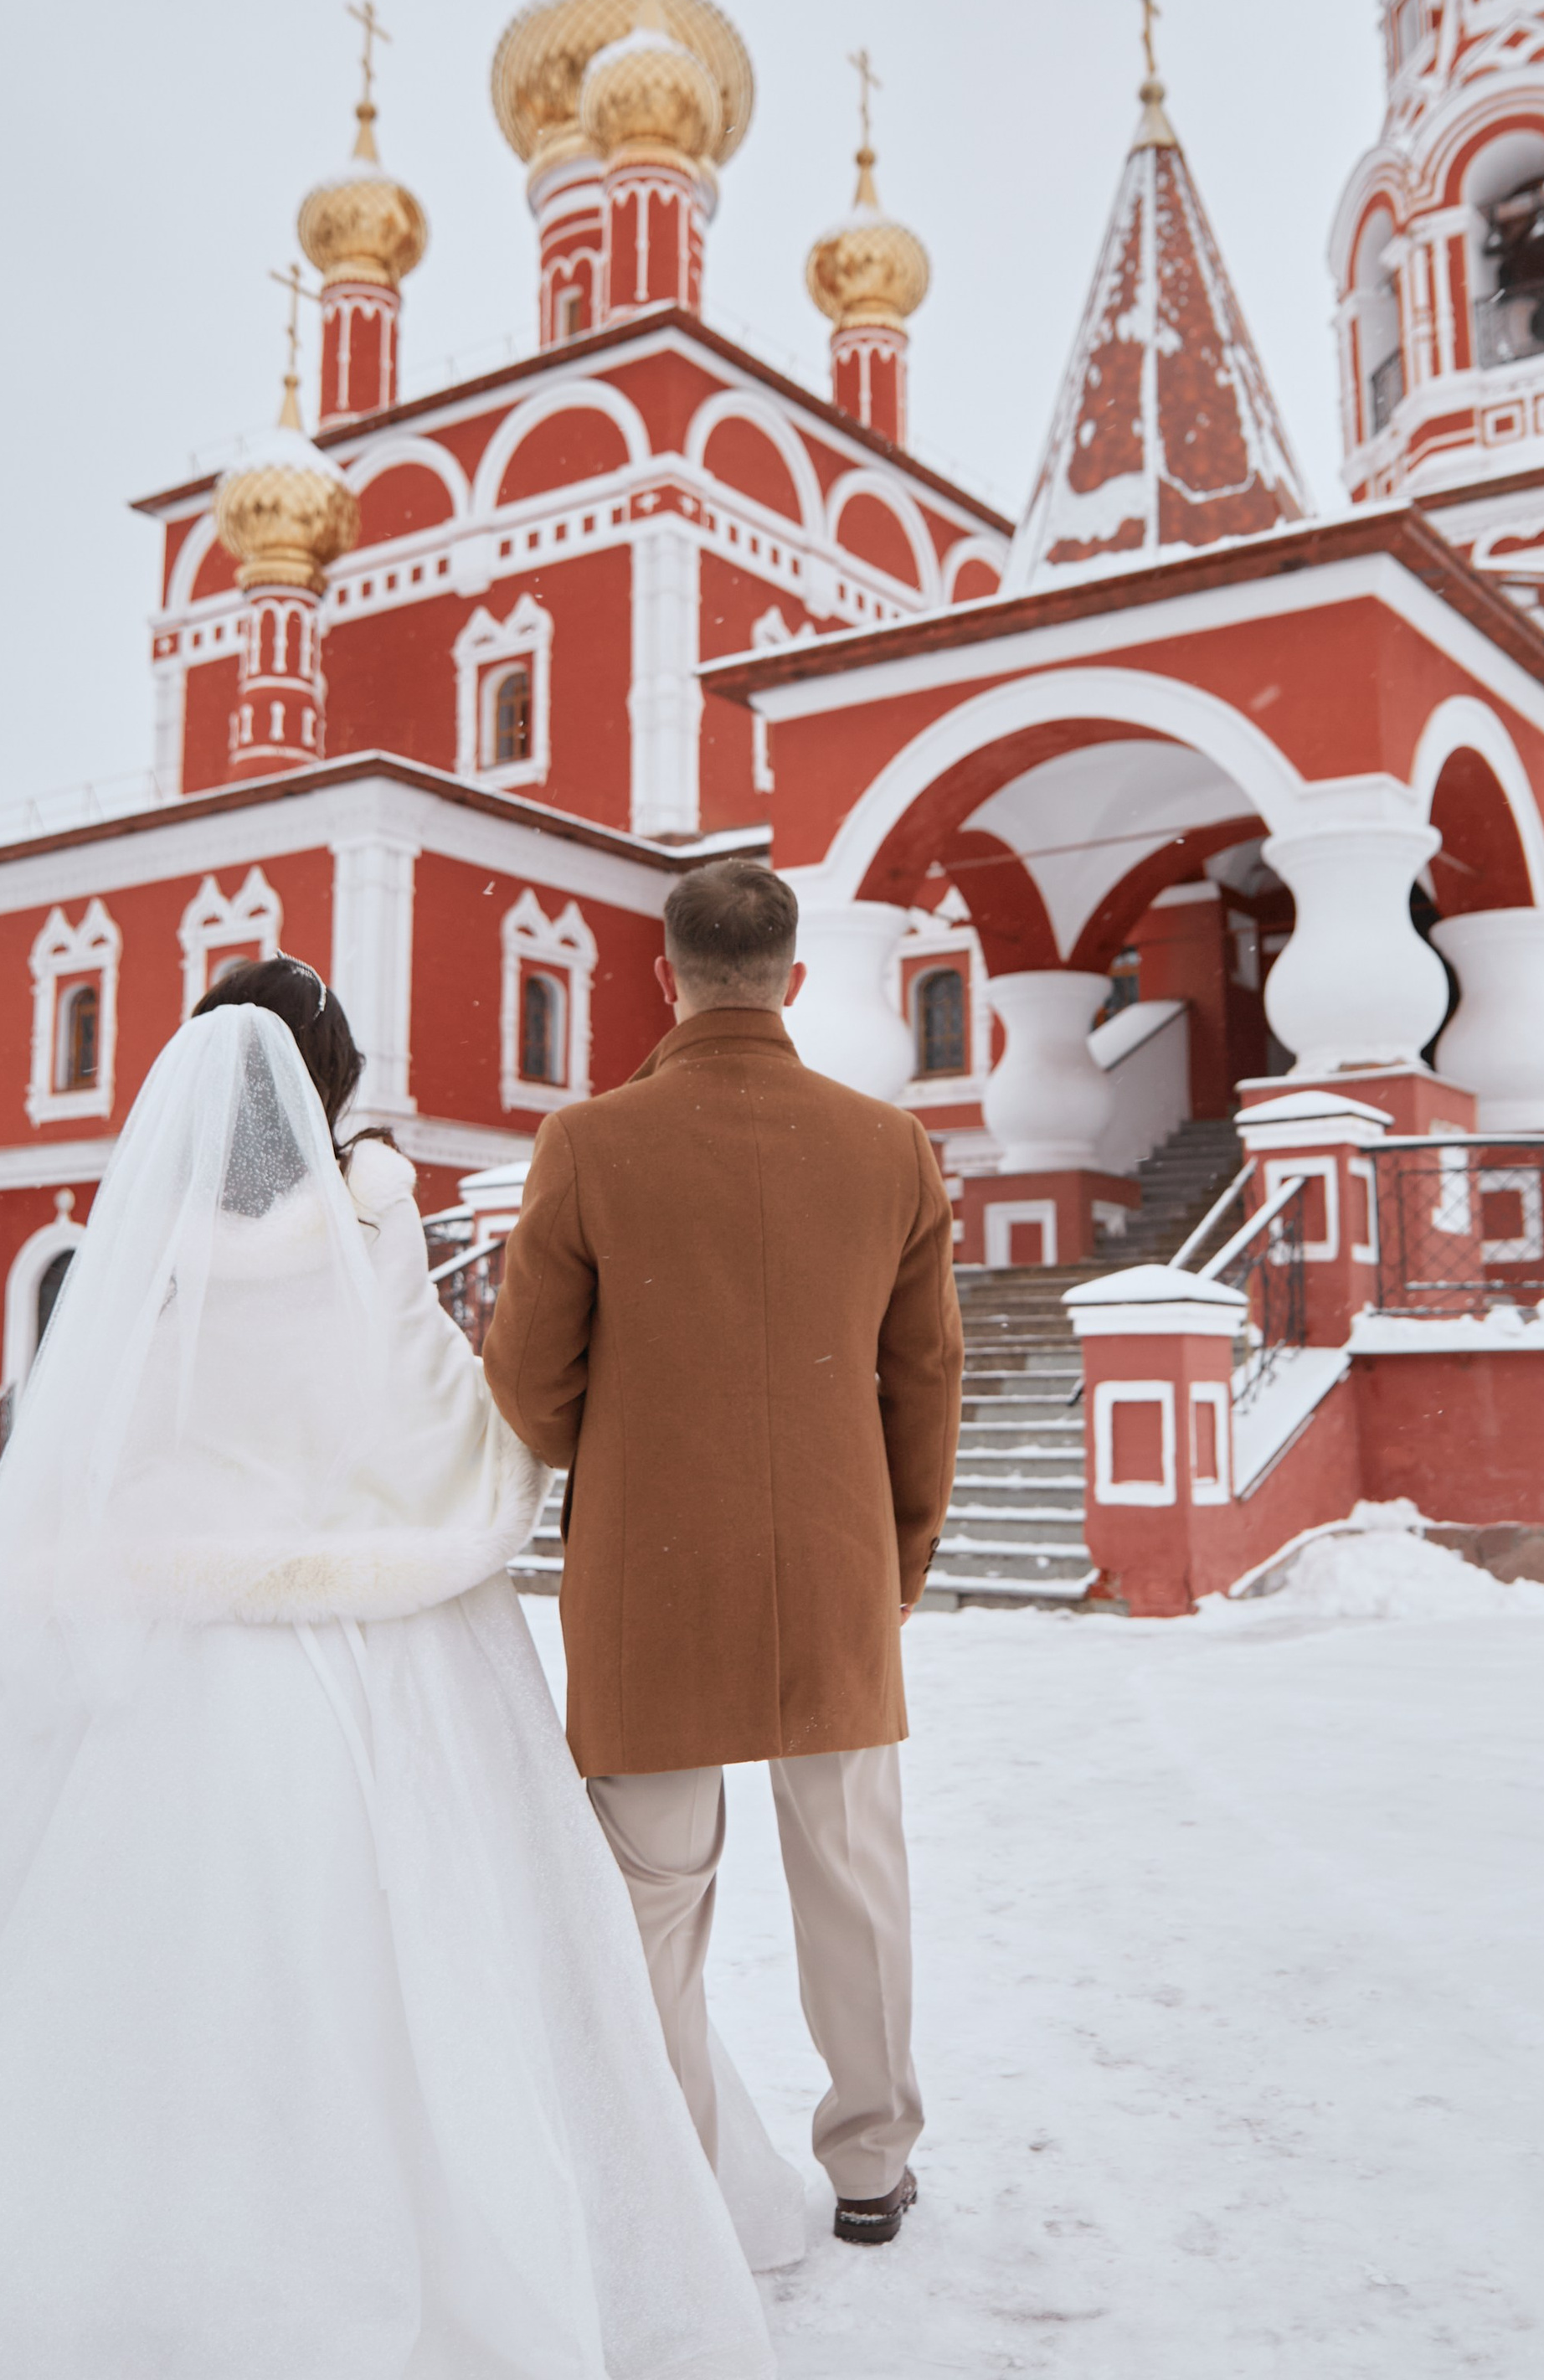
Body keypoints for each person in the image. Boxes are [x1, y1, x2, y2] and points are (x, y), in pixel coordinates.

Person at [0, 959, 780, 2380]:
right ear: (329, 1084)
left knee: (79, 1964)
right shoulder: (368, 1229)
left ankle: (50, 2235)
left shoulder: (145, 1247)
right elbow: (427, 1413)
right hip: (375, 1654)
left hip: (160, 1642)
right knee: (437, 1945)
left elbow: (116, 1443)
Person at [484, 857, 965, 2250]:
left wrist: (628, 1447)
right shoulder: (891, 1145)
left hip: (654, 1565)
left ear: (666, 976)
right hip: (832, 1561)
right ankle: (872, 2165)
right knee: (855, 1875)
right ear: (796, 977)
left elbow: (527, 1380)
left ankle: (668, 2174)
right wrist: (899, 1559)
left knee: (650, 1893)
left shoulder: (592, 1141)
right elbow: (923, 1381)